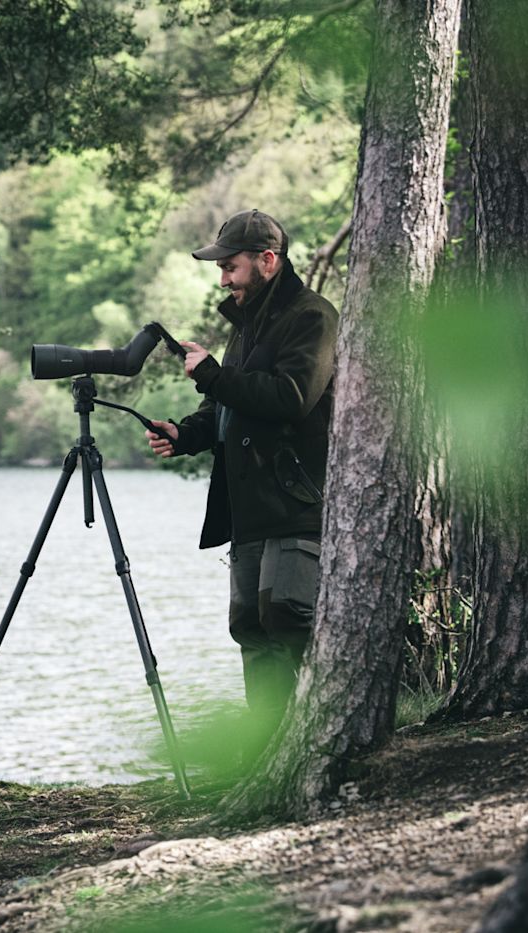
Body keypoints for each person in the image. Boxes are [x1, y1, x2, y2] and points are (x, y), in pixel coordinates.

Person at [145, 209, 339, 747]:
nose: (223, 278)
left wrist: (212, 373)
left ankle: (313, 750)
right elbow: (225, 410)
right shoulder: (248, 324)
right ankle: (266, 757)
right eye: (221, 269)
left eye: (230, 267)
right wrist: (184, 435)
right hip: (249, 512)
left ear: (267, 261)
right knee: (250, 631)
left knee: (289, 624)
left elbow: (291, 400)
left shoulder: (312, 316)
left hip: (297, 504)